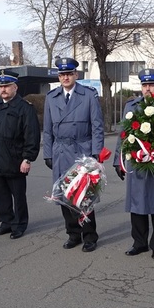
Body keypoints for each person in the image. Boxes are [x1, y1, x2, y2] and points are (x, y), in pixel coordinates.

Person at [112, 68, 154, 260]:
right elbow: (123, 136)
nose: (148, 89)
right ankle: (139, 242)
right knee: (137, 202)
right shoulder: (131, 107)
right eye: (144, 85)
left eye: (152, 84)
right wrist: (118, 160)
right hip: (135, 163)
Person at [43, 57, 104, 253]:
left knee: (84, 196)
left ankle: (89, 236)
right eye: (62, 74)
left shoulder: (88, 95)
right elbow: (46, 130)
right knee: (64, 195)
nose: (65, 77)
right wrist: (47, 153)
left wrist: (95, 153)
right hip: (60, 151)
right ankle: (73, 234)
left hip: (81, 151)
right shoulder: (51, 98)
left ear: (76, 75)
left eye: (69, 74)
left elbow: (97, 126)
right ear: (59, 77)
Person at [0, 70, 40, 239]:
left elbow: (32, 136)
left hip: (15, 161)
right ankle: (6, 222)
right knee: (0, 195)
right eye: (1, 86)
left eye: (7, 86)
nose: (3, 89)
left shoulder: (24, 108)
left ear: (15, 87)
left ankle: (19, 224)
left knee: (18, 196)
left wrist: (27, 158)